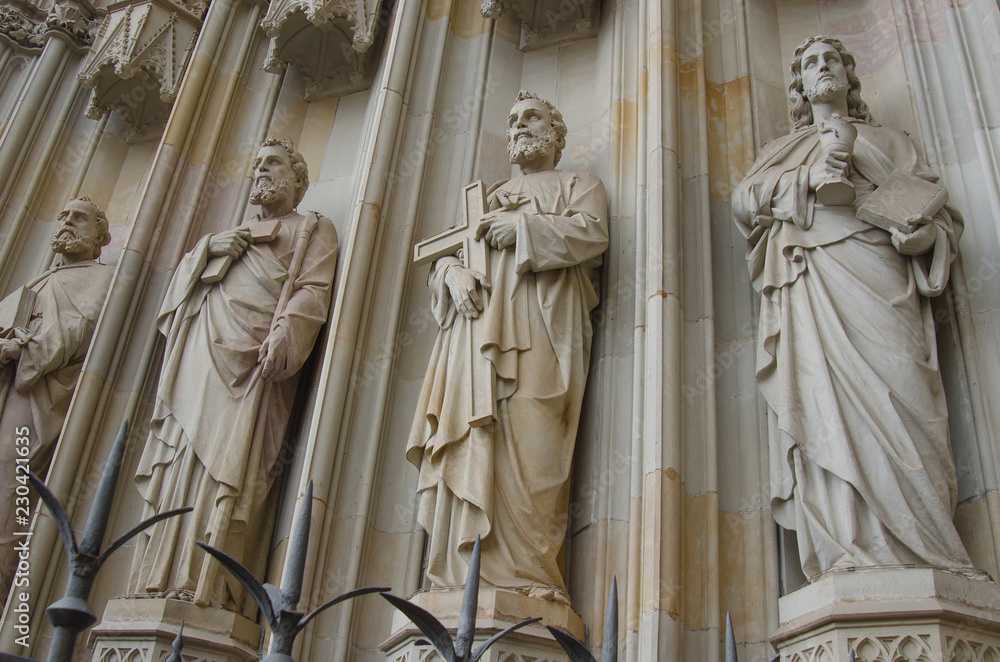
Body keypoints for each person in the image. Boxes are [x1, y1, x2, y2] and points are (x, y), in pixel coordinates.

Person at [732, 36, 973, 579]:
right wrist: (806, 180)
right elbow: (744, 200)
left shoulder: (890, 140)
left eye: (831, 59)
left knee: (902, 392)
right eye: (810, 62)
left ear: (848, 74)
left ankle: (927, 548)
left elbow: (936, 211)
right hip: (814, 281)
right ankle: (851, 546)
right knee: (827, 406)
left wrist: (922, 236)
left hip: (882, 279)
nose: (822, 68)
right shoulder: (779, 151)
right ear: (798, 84)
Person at [407, 90, 609, 603]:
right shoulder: (485, 197)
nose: (519, 126)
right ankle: (458, 577)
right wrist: (450, 272)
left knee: (535, 447)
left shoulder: (577, 185)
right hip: (472, 344)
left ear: (555, 135)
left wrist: (522, 226)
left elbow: (591, 236)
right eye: (513, 120)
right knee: (471, 439)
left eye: (531, 117)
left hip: (539, 338)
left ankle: (530, 576)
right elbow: (445, 254)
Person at [130, 138, 338, 610]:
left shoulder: (312, 229)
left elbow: (313, 289)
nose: (261, 171)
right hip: (203, 360)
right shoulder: (228, 236)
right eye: (257, 164)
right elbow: (176, 300)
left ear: (298, 179)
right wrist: (206, 250)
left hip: (255, 369)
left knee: (235, 470)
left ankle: (208, 583)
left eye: (273, 163)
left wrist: (286, 332)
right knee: (185, 459)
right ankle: (159, 574)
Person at [0, 197, 113, 593]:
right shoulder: (39, 281)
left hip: (33, 397)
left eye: (78, 217)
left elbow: (76, 330)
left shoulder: (100, 279)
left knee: (10, 482)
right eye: (62, 215)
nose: (66, 222)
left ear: (100, 235)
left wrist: (22, 349)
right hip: (10, 386)